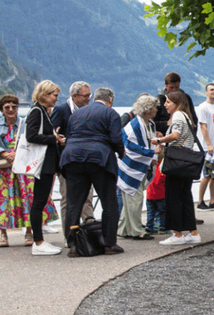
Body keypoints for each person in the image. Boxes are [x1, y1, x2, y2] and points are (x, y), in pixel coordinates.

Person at [61, 87, 126, 255]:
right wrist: (121, 151)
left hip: (72, 158)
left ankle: (74, 245)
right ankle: (109, 243)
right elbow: (116, 138)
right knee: (109, 202)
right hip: (99, 159)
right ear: (110, 100)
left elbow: (69, 135)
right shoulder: (111, 114)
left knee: (74, 203)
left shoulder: (76, 114)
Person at [0, 93, 50, 247]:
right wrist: (5, 154)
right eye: (7, 107)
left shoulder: (25, 123)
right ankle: (3, 234)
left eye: (14, 107)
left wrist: (17, 154)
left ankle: (29, 231)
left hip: (23, 166)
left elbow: (30, 140)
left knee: (27, 198)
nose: (11, 110)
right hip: (4, 168)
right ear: (2, 110)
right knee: (2, 201)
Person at [153, 90, 202, 246]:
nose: (165, 105)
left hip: (176, 162)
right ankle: (193, 233)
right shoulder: (186, 115)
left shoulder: (178, 115)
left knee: (173, 197)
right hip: (186, 162)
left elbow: (175, 135)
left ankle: (177, 234)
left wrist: (159, 140)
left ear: (176, 103)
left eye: (168, 102)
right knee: (185, 197)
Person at [23, 81, 66, 255]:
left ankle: (39, 240)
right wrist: (53, 138)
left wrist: (53, 137)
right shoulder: (36, 111)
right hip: (43, 164)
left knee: (40, 201)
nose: (56, 99)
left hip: (47, 164)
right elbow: (31, 136)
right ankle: (38, 242)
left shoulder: (42, 111)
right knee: (39, 202)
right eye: (54, 95)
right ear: (45, 94)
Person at [117, 94, 160, 240]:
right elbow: (131, 147)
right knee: (134, 199)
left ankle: (124, 229)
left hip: (140, 166)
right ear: (148, 109)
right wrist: (151, 153)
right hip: (132, 168)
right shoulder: (134, 126)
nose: (156, 109)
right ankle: (136, 231)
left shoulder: (149, 124)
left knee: (130, 198)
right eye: (154, 107)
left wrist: (151, 157)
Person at [51, 81, 95, 224]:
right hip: (67, 163)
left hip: (87, 161)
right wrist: (61, 139)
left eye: (90, 95)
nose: (89, 98)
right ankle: (69, 235)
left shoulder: (90, 110)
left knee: (87, 198)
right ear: (74, 96)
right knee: (68, 199)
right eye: (86, 96)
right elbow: (53, 133)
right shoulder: (61, 110)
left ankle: (90, 231)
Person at [194, 82, 214, 211]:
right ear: (206, 92)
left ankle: (213, 200)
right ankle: (200, 201)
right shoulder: (203, 107)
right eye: (212, 90)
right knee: (207, 174)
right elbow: (203, 126)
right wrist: (208, 144)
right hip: (208, 147)